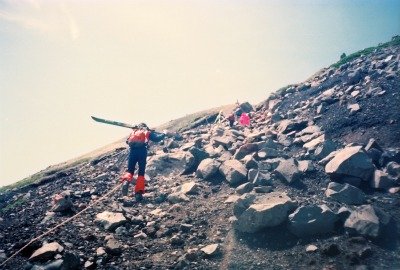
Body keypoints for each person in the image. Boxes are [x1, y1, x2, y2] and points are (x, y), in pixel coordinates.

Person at [120, 123, 166, 202]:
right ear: (146, 127)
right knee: (141, 172)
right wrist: (164, 133)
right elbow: (157, 139)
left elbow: (127, 142)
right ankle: (138, 193)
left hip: (132, 152)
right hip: (142, 152)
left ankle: (126, 181)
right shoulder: (147, 132)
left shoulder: (134, 132)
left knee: (130, 170)